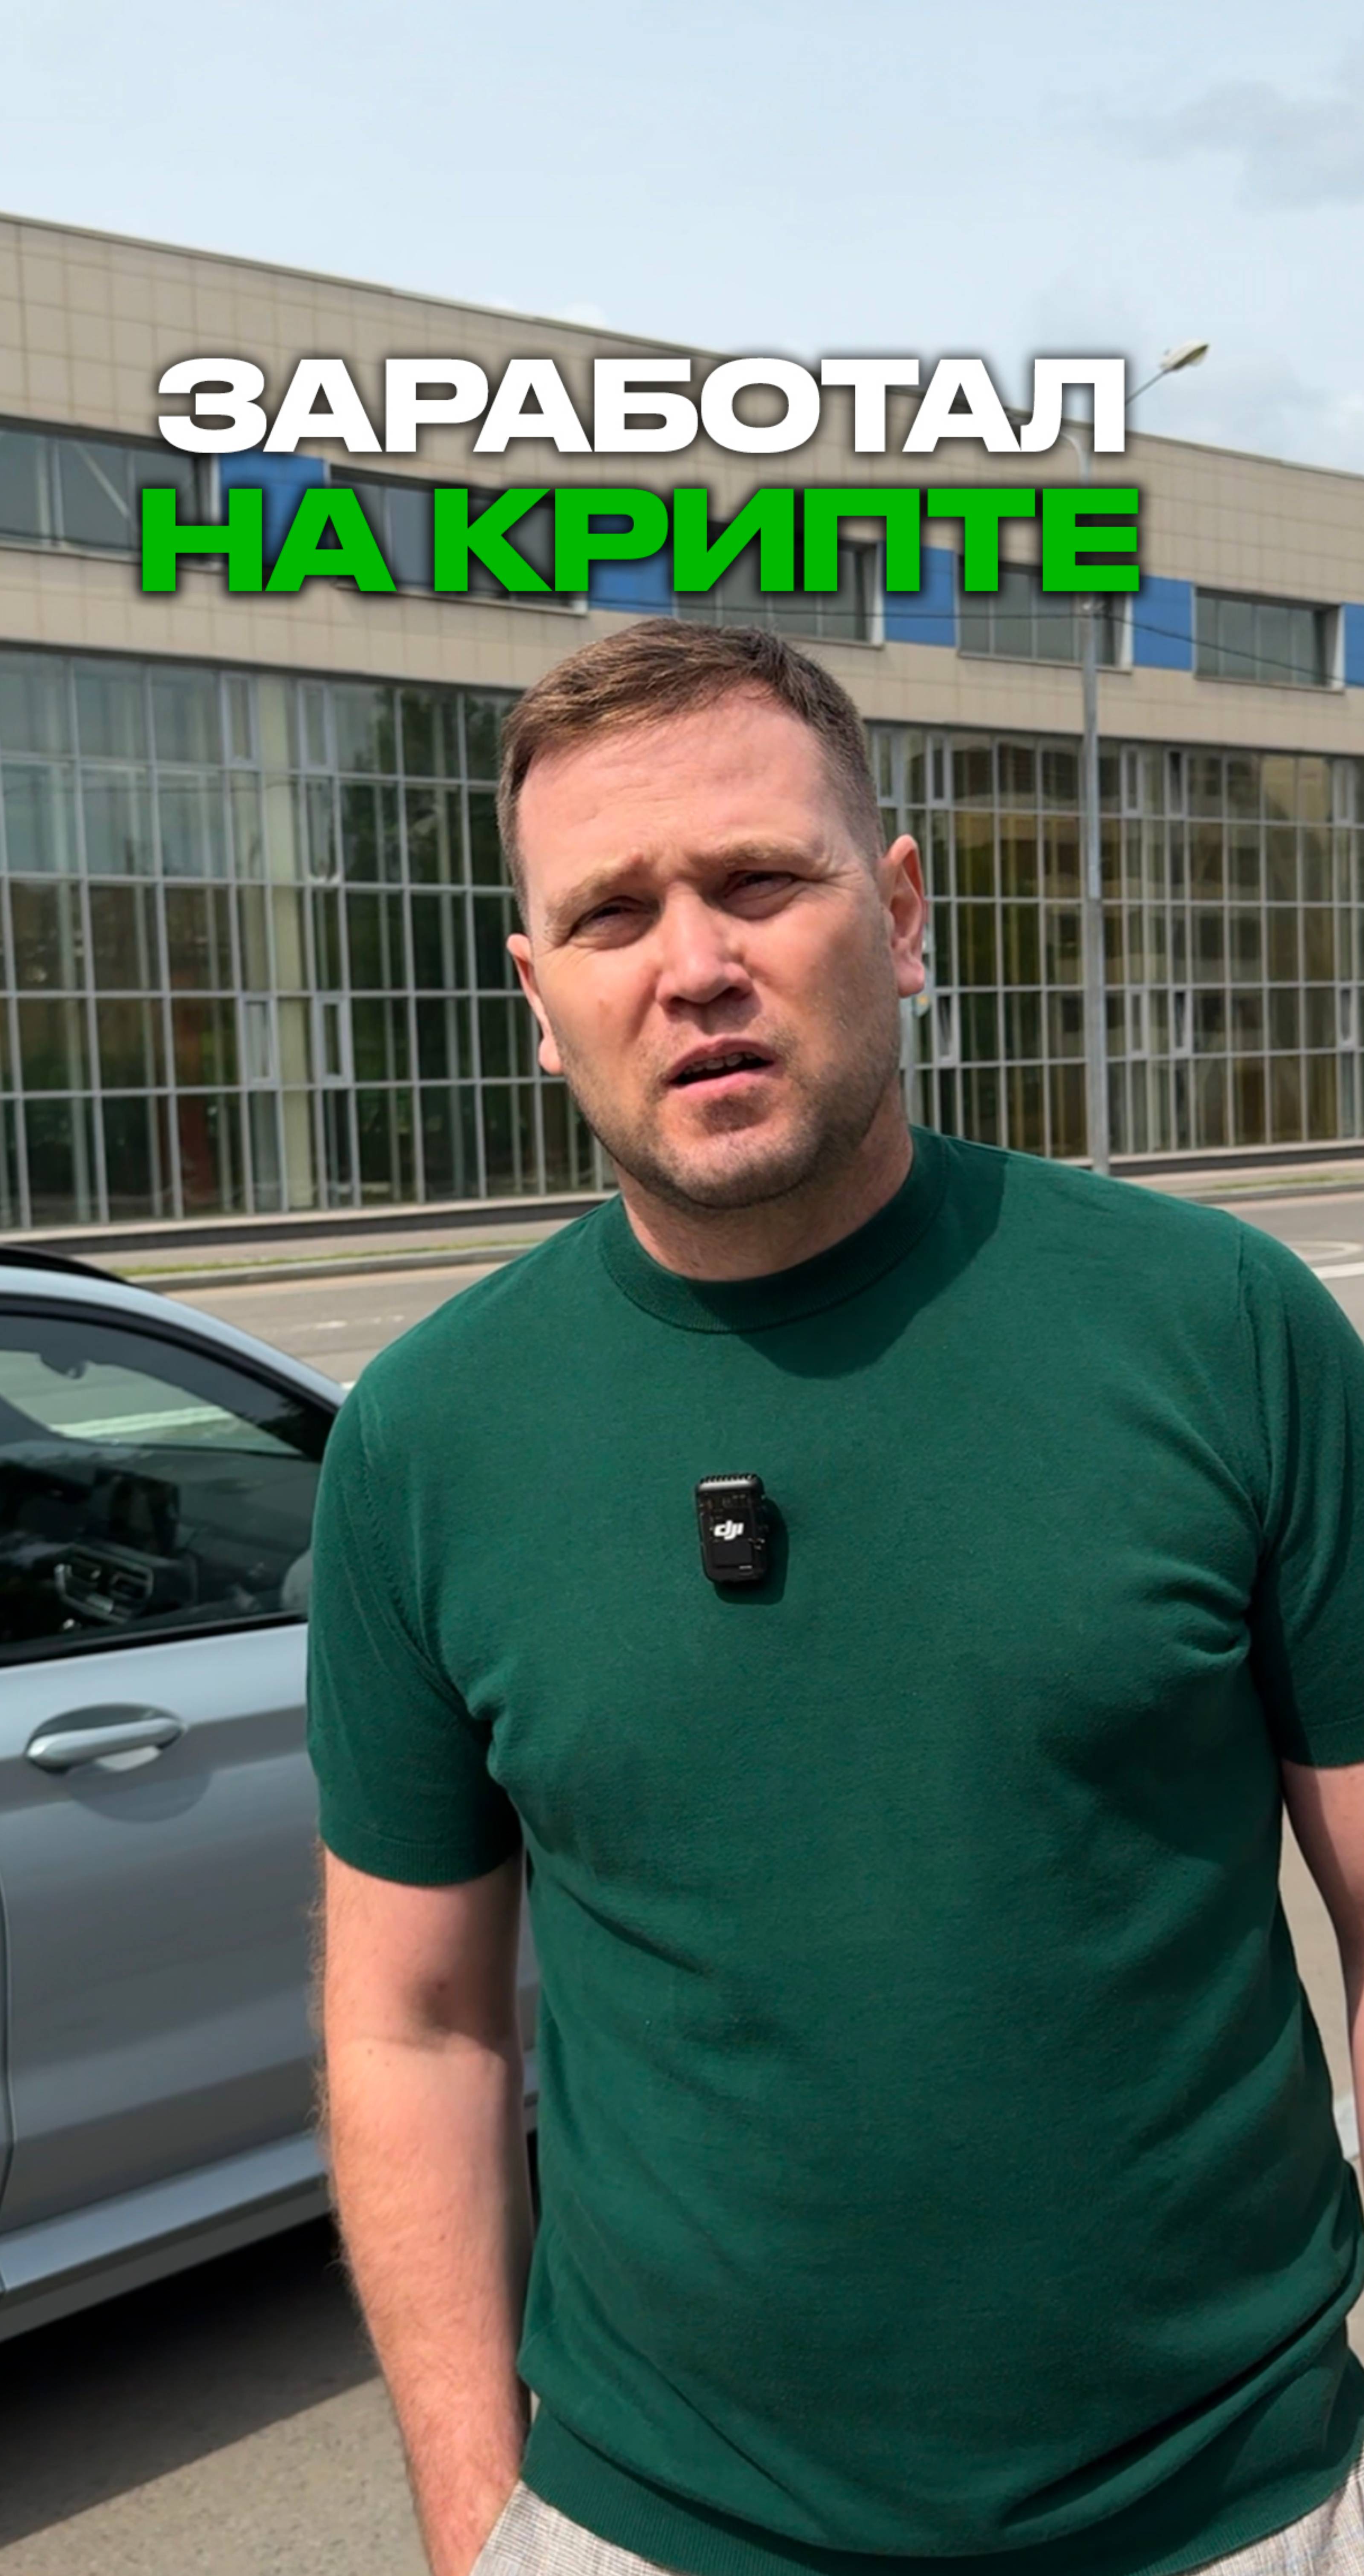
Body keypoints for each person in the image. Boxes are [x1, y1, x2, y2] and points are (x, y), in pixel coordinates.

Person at [307, 618, 1364, 2576]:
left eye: (759, 880)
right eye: (612, 912)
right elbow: (416, 2026)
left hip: (1239, 2510)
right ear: (539, 996)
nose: (694, 961)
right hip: (650, 2526)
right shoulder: (428, 1439)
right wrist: (475, 2521)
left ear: (899, 910)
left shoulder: (1223, 1329)